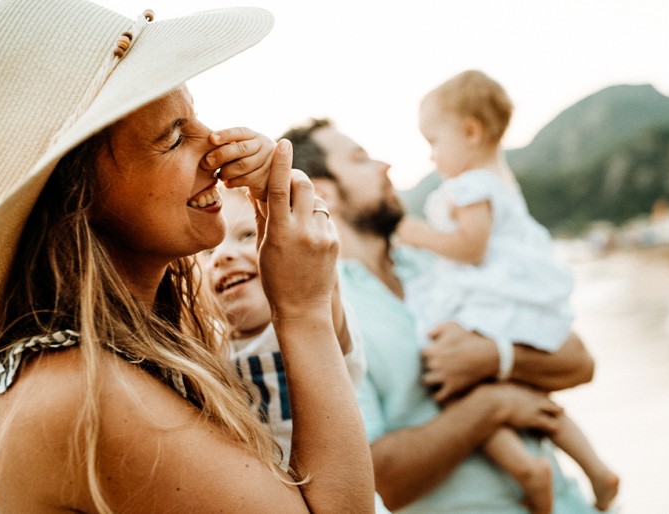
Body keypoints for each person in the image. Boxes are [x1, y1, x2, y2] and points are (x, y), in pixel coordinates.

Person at [0, 1, 375, 512]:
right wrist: (302, 310)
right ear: (81, 198)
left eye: (193, 117)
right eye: (172, 137)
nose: (213, 146)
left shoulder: (131, 349)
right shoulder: (83, 392)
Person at [283, 118, 600, 514]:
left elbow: (579, 361)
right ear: (323, 190)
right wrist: (491, 405)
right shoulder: (325, 312)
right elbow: (374, 482)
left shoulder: (444, 261)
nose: (385, 166)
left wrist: (496, 356)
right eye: (361, 159)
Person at [393, 70, 619, 512]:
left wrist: (418, 234)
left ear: (471, 132)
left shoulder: (471, 185)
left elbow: (471, 248)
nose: (431, 155)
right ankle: (596, 470)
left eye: (434, 141)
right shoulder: (500, 178)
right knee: (533, 396)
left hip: (486, 301)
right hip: (509, 299)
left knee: (455, 391)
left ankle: (526, 470)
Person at [202, 187, 392, 513]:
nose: (222, 256)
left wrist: (269, 179)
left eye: (247, 235)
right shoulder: (209, 348)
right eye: (207, 252)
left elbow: (316, 264)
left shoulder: (313, 317)